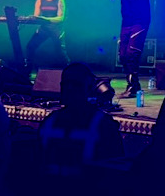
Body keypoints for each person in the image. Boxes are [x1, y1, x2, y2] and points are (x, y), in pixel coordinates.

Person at [37, 63, 124, 191]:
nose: (70, 89)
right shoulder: (103, 124)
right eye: (66, 84)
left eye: (75, 85)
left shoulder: (49, 121)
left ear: (88, 89)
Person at [109, 0, 150, 98]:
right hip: (126, 21)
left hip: (140, 20)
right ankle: (133, 85)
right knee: (123, 55)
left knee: (132, 53)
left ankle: (133, 88)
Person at [25, 0, 69, 72]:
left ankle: (69, 72)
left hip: (56, 30)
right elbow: (37, 16)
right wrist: (31, 19)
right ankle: (27, 71)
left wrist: (46, 19)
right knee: (30, 46)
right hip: (44, 29)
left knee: (60, 53)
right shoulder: (40, 0)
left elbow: (60, 18)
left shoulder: (60, 0)